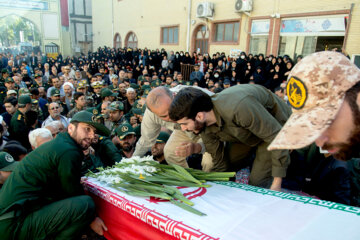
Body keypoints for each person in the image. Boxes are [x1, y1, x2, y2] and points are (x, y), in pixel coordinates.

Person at [0, 111, 110, 239]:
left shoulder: (61, 144)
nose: (91, 136)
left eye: (94, 132)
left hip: (12, 218)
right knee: (86, 205)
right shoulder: (68, 150)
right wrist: (92, 219)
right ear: (71, 128)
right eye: (87, 129)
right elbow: (72, 192)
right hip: (13, 224)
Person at [168, 85, 292, 190]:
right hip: (246, 134)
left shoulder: (239, 107)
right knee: (227, 166)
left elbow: (276, 136)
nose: (183, 128)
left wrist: (277, 182)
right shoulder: (204, 127)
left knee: (257, 183)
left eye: (184, 124)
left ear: (199, 116)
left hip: (274, 128)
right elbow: (220, 162)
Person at [134, 85, 214, 171]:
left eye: (171, 109)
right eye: (164, 116)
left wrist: (199, 146)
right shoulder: (150, 114)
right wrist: (132, 161)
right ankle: (188, 180)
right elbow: (146, 140)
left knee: (209, 161)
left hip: (210, 129)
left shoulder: (195, 94)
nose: (172, 117)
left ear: (175, 96)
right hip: (183, 130)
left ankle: (212, 183)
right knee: (170, 152)